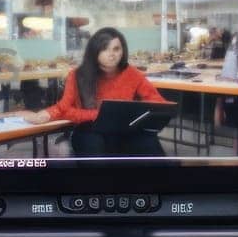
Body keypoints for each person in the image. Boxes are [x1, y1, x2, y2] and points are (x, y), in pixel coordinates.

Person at [13, 27, 169, 158]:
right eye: (105, 49)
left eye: (116, 49)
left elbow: (158, 103)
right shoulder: (78, 74)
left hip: (124, 130)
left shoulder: (132, 74)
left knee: (148, 142)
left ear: (123, 51)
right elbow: (65, 108)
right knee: (93, 145)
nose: (112, 54)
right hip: (89, 130)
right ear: (95, 52)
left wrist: (139, 113)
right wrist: (99, 115)